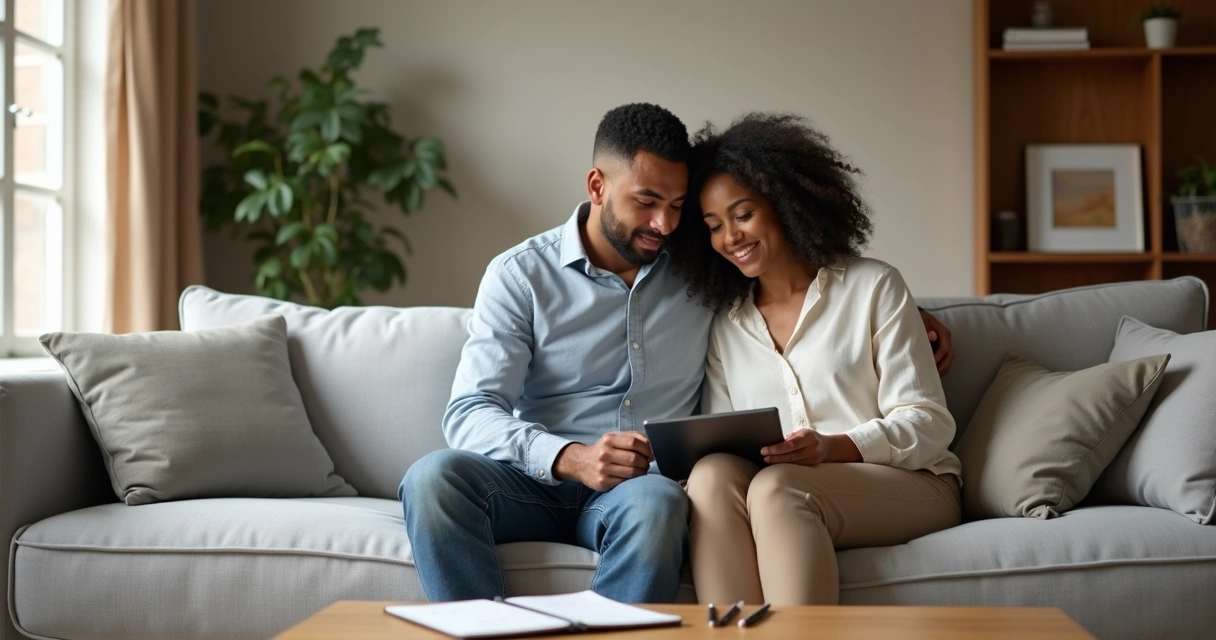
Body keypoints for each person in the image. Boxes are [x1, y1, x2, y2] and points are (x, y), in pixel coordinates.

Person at [399, 103, 710, 603]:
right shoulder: (520, 274)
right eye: (647, 201)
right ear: (596, 185)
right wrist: (571, 457)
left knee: (658, 503)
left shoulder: (703, 276)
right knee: (432, 479)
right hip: (530, 485)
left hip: (639, 491)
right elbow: (470, 411)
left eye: (677, 206)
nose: (664, 223)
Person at [669, 113, 963, 606]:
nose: (731, 238)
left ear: (784, 205)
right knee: (712, 474)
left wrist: (834, 447)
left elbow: (929, 423)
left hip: (911, 483)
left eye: (743, 215)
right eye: (714, 226)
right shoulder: (727, 324)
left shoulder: (874, 287)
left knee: (780, 488)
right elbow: (723, 438)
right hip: (781, 484)